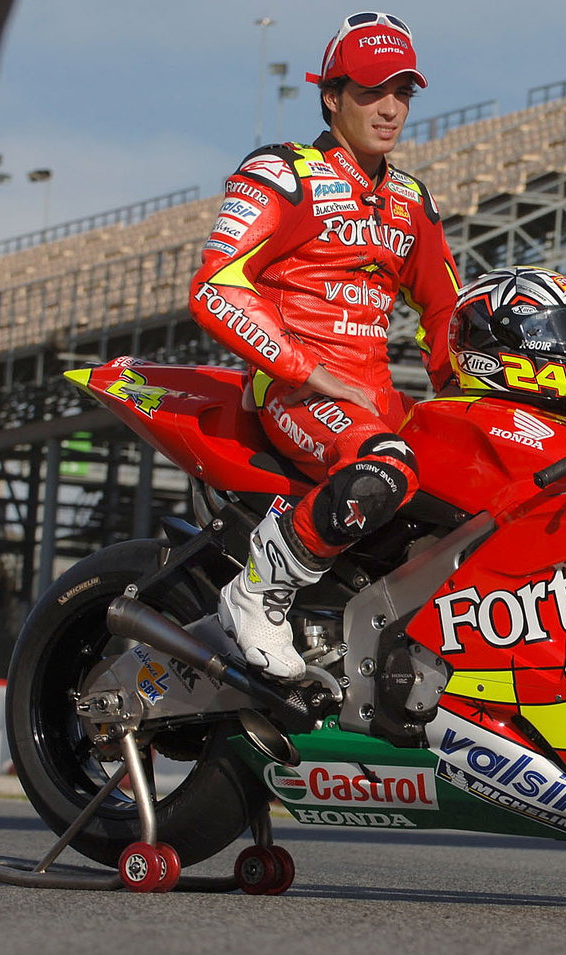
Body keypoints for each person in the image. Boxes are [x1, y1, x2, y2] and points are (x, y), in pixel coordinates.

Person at [189, 11, 459, 683]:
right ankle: (255, 590)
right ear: (331, 95)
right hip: (295, 394)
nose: (391, 108)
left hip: (375, 402)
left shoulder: (410, 201)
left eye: (403, 92)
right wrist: (306, 370)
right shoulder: (279, 175)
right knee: (386, 465)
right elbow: (216, 287)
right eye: (371, 91)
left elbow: (448, 309)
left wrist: (462, 399)